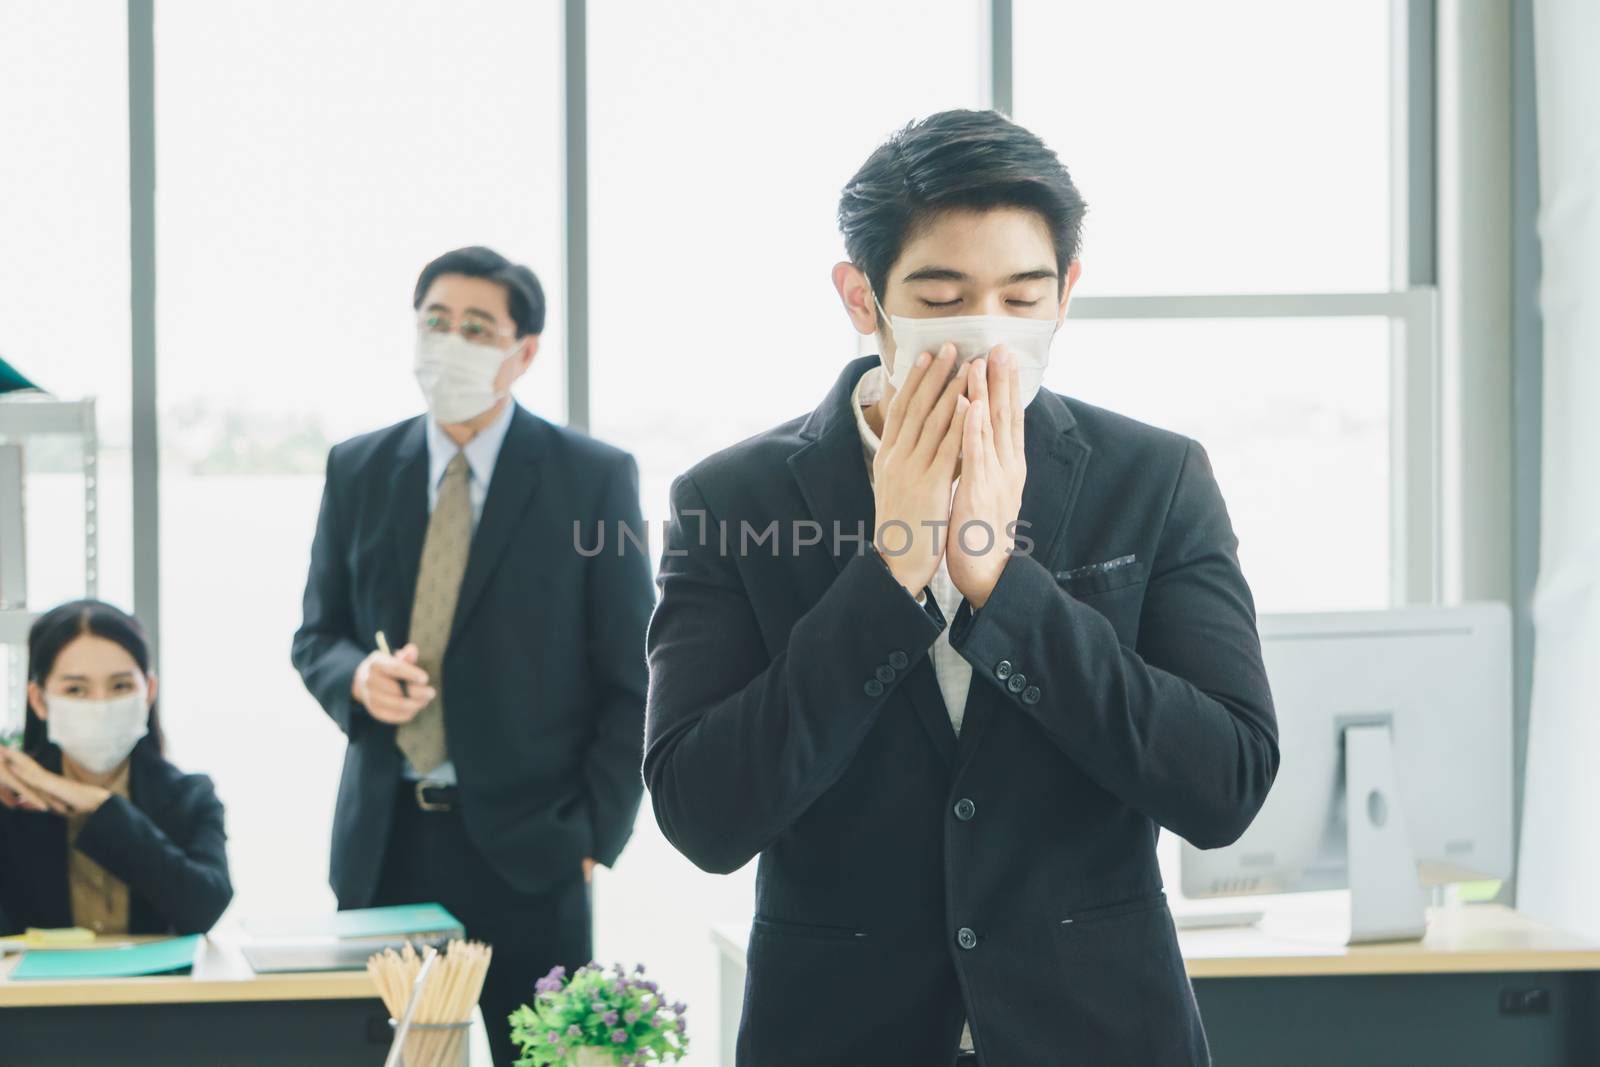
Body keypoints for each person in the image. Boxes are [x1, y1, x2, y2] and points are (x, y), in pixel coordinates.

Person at [643, 110, 1280, 1066]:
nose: (989, 336)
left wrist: (1004, 587)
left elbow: (1224, 783)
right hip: (840, 1036)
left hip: (1103, 1032)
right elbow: (704, 812)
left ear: (1066, 291)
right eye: (943, 301)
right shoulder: (729, 498)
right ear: (863, 297)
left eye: (1023, 300)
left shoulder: (1154, 478)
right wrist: (891, 569)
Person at [292, 246, 652, 1066]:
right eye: (436, 322)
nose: (451, 342)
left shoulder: (592, 478)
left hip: (535, 852)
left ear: (522, 352)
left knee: (550, 1059)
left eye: (478, 327)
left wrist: (596, 833)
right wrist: (356, 675)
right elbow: (317, 633)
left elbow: (633, 676)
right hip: (383, 847)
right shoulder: (358, 467)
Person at [0, 600, 232, 937]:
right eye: (76, 689)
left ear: (148, 691)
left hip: (156, 991)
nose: (100, 705)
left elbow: (204, 906)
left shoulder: (190, 796)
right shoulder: (10, 799)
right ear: (39, 700)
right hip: (36, 991)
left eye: (120, 686)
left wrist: (100, 805)